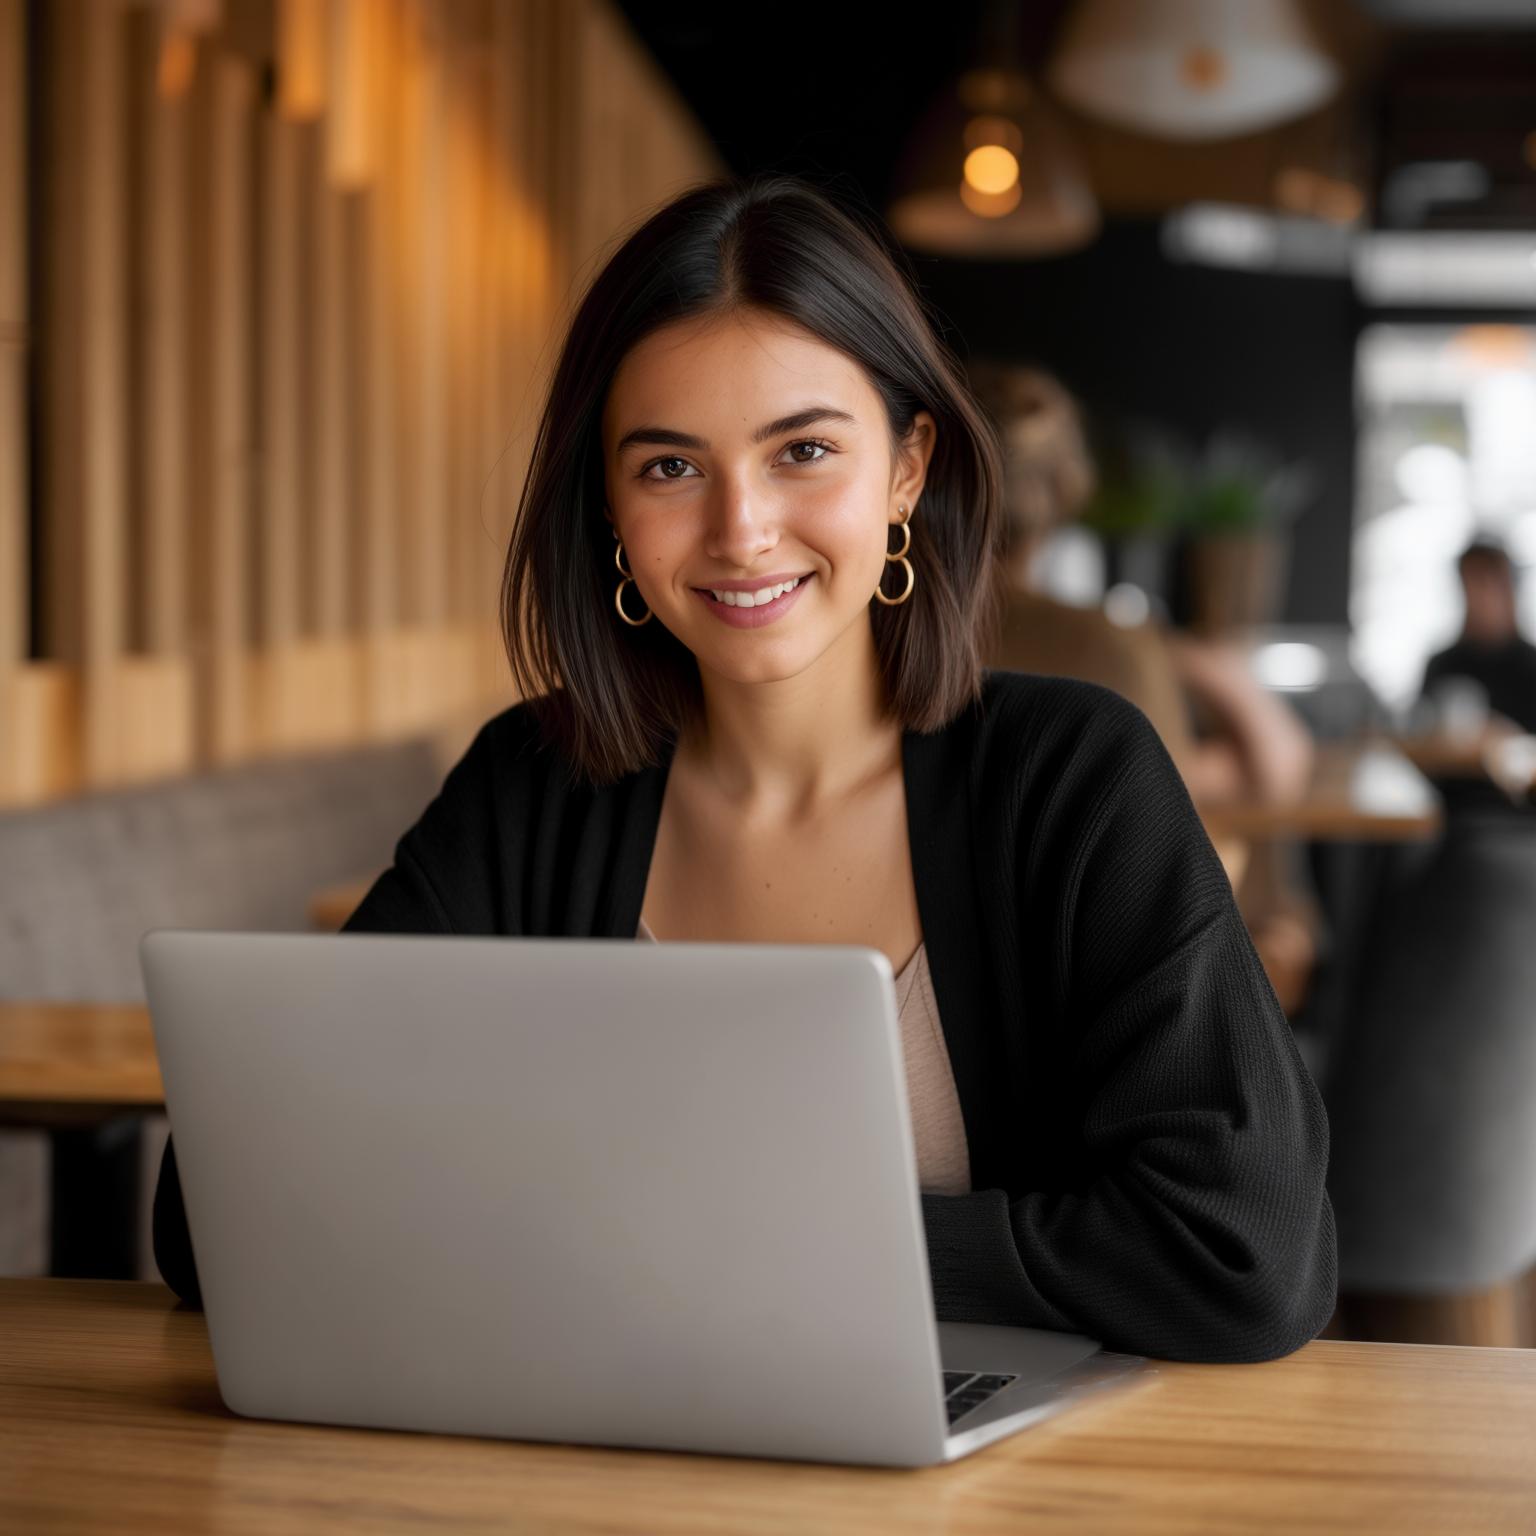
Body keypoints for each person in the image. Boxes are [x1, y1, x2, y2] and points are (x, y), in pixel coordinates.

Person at [153, 174, 1335, 1363]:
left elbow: (1245, 1257)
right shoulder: (538, 784)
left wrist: (687, 1246)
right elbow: (220, 1219)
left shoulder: (1071, 777)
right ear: (608, 504)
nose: (741, 531)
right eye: (670, 467)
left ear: (908, 469)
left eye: (803, 451)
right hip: (597, 1457)